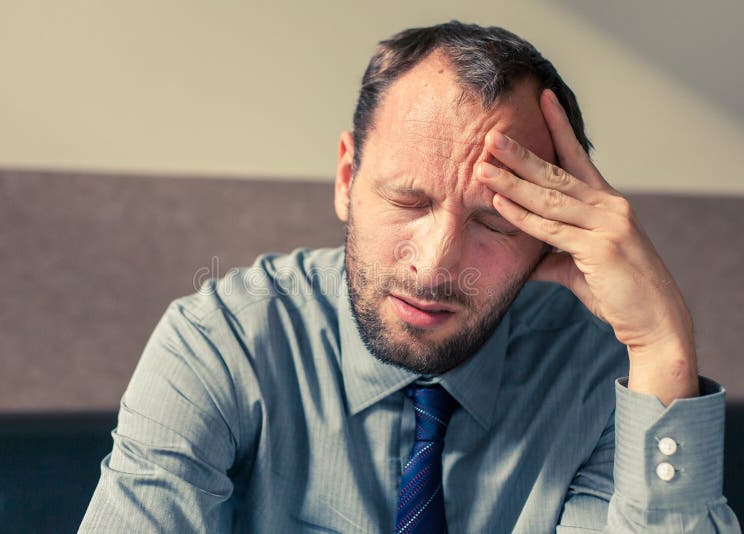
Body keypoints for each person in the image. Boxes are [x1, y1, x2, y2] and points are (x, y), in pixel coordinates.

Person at [79, 21, 741, 533]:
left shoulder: (598, 378)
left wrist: (662, 349)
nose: (434, 265)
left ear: (548, 232)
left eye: (495, 222)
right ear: (347, 179)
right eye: (408, 201)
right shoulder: (223, 343)